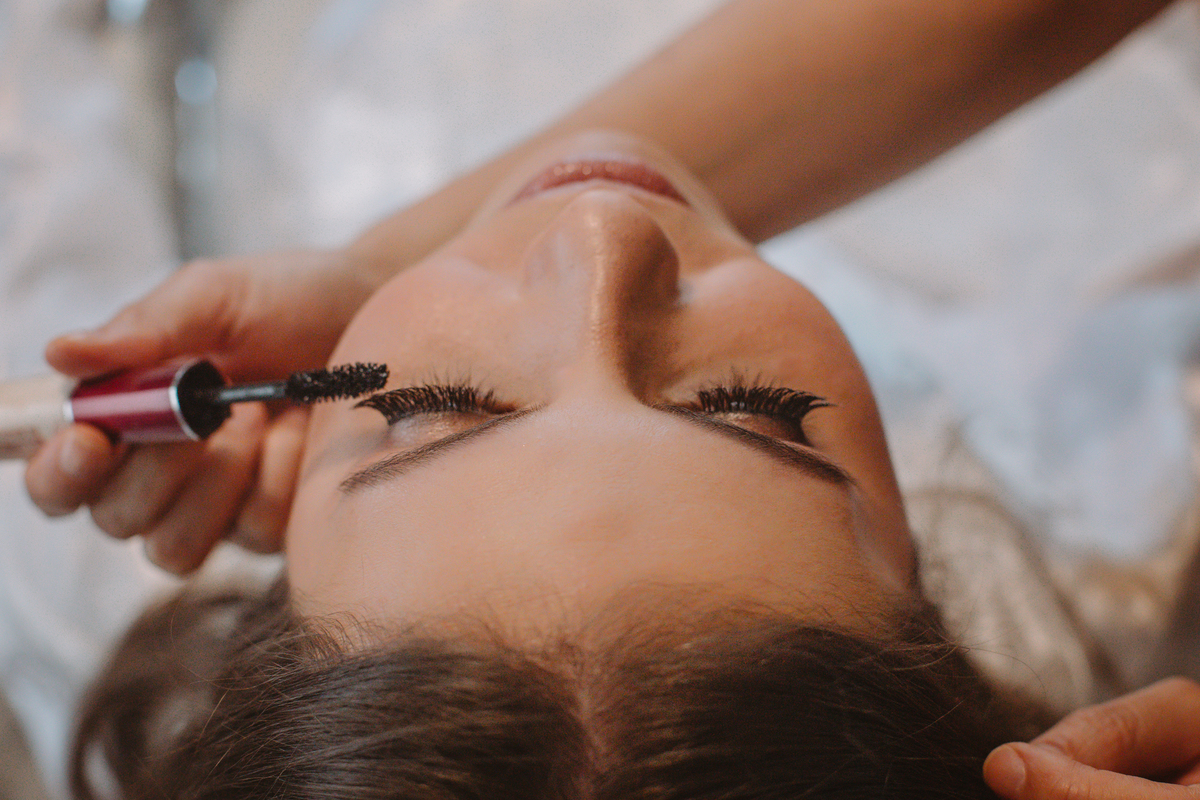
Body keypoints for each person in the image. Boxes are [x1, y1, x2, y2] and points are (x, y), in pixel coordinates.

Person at [17, 0, 1199, 797]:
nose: (604, 232)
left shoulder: (76, 559)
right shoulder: (1142, 449)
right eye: (758, 407)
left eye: (435, 402)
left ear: (263, 612)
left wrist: (389, 268)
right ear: (926, 591)